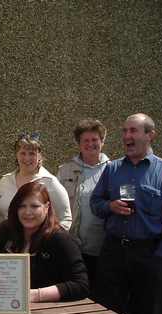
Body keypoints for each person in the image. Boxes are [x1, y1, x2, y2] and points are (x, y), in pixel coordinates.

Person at [91, 113, 162, 314]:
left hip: (149, 253)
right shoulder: (113, 169)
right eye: (125, 131)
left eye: (133, 131)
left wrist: (160, 256)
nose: (127, 136)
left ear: (150, 135)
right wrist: (110, 206)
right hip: (114, 250)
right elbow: (95, 203)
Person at [0, 181, 88, 302]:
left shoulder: (61, 240)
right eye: (22, 206)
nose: (27, 212)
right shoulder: (4, 232)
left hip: (49, 312)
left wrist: (35, 295)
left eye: (34, 206)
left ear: (47, 207)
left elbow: (81, 285)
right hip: (6, 305)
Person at [57, 119, 109, 294]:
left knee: (98, 292)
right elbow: (56, 204)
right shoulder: (64, 170)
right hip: (71, 244)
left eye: (95, 140)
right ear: (78, 144)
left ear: (102, 141)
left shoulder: (113, 170)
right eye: (85, 140)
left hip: (100, 245)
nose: (90, 144)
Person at [0, 132, 72, 230]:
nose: (27, 158)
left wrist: (50, 240)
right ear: (16, 155)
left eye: (32, 154)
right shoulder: (5, 180)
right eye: (23, 153)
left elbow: (65, 218)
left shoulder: (49, 182)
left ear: (39, 156)